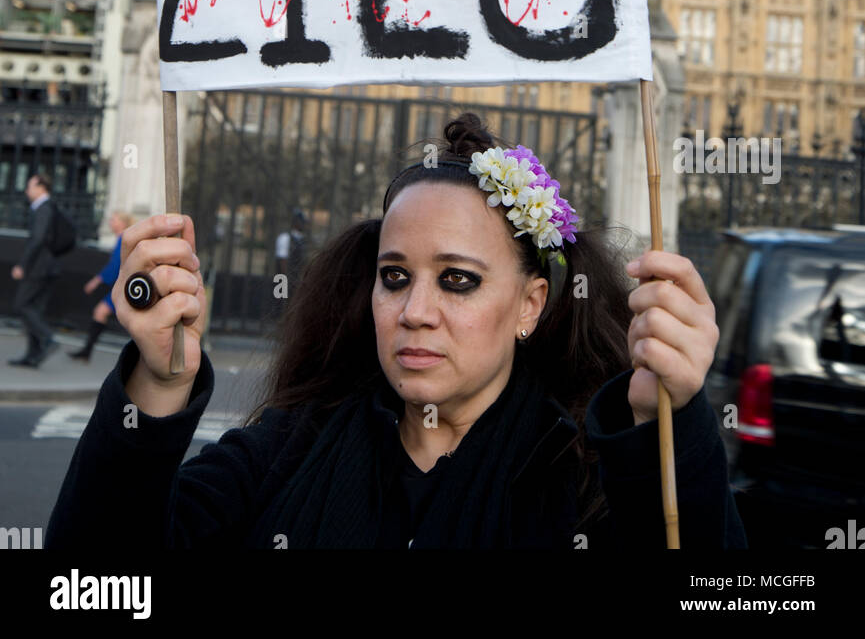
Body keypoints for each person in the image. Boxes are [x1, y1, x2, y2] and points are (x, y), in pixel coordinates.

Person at [45, 111, 748, 549]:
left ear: (531, 304)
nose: (415, 309)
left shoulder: (584, 479)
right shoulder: (287, 450)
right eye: (394, 276)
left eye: (458, 280)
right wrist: (157, 390)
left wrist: (668, 433)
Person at [8, 172, 61, 368]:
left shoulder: (44, 209)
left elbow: (37, 240)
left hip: (39, 268)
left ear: (41, 187)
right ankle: (32, 356)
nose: (26, 190)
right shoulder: (47, 208)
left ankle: (47, 339)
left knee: (21, 304)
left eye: (29, 186)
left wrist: (22, 265)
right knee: (34, 310)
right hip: (47, 267)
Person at [68, 211, 135, 362]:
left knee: (103, 312)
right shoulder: (123, 239)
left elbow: (115, 266)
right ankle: (86, 351)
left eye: (114, 219)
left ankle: (87, 351)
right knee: (101, 312)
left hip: (123, 287)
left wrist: (96, 281)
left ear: (122, 223)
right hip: (123, 286)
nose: (111, 222)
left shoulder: (124, 239)